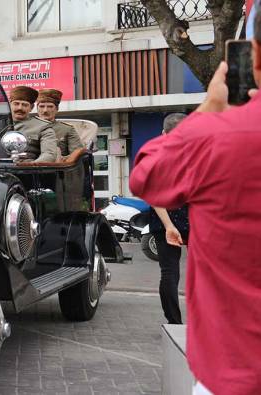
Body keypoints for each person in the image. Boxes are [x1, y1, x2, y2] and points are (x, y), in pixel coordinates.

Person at [129, 11, 261, 394]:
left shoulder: (216, 136)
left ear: (250, 55)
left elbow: (147, 176)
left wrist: (210, 108)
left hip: (233, 368)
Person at [148, 113, 189, 325]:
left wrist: (168, 225)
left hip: (163, 220)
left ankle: (174, 323)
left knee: (169, 272)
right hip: (194, 219)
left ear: (163, 133)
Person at [8, 86, 58, 162]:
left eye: (24, 105)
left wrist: (32, 165)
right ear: (9, 104)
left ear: (31, 107)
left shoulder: (43, 127)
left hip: (28, 170)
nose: (20, 108)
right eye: (16, 104)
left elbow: (49, 154)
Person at [36, 89, 84, 158]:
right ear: (37, 109)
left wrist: (61, 159)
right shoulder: (28, 127)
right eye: (41, 106)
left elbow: (76, 154)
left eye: (50, 106)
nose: (45, 110)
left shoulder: (67, 129)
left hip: (59, 166)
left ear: (57, 109)